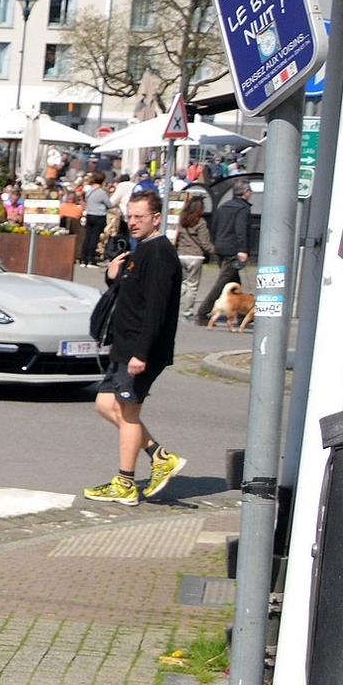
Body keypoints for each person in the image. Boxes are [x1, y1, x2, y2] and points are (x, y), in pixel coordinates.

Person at [84, 190, 186, 504]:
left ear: (157, 218)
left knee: (129, 414)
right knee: (105, 403)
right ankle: (159, 454)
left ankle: (125, 482)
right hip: (123, 345)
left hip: (139, 350)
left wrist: (141, 353)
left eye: (140, 217)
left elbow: (155, 308)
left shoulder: (158, 253)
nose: (133, 223)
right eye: (130, 216)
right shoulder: (141, 250)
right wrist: (113, 276)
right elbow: (132, 296)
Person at [194, 183, 252, 325]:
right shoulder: (242, 209)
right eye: (250, 191)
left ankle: (240, 313)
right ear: (245, 192)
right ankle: (202, 313)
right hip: (233, 250)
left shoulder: (223, 206)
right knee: (221, 283)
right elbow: (240, 230)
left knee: (234, 282)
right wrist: (243, 249)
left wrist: (216, 244)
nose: (251, 193)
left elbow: (214, 227)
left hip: (220, 248)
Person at [79, 175, 111, 265]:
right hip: (99, 215)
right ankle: (90, 259)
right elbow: (109, 204)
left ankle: (83, 258)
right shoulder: (102, 192)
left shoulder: (89, 190)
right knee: (94, 237)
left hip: (89, 214)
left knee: (87, 237)